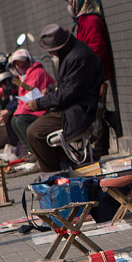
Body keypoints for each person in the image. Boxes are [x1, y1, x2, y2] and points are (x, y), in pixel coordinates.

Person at [24, 24, 104, 173]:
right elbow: (69, 85)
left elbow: (69, 92)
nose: (50, 53)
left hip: (78, 110)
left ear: (63, 45)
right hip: (70, 106)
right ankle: (63, 162)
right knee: (29, 126)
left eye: (52, 50)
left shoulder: (78, 57)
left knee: (34, 132)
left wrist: (40, 102)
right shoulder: (72, 53)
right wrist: (51, 89)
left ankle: (54, 171)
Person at [0, 48, 54, 151]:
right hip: (30, 107)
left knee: (20, 121)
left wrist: (17, 111)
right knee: (14, 121)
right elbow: (21, 96)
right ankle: (29, 151)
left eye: (21, 63)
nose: (19, 67)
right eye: (17, 65)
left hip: (41, 108)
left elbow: (32, 93)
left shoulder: (37, 73)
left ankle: (36, 151)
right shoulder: (20, 78)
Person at [59, 0, 112, 80]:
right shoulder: (81, 22)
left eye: (70, 3)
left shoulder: (91, 21)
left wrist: (83, 67)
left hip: (94, 75)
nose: (69, 7)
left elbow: (97, 48)